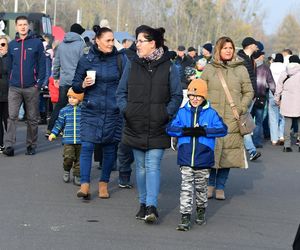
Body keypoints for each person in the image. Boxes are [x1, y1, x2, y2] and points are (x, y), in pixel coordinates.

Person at [117, 25, 182, 223]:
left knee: (152, 165)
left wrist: (165, 113)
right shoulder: (132, 63)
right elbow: (121, 92)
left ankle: (152, 205)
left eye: (141, 41)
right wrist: (127, 110)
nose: (137, 44)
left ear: (152, 43)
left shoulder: (169, 66)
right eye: (137, 41)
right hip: (134, 123)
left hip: (158, 124)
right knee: (141, 167)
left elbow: (177, 95)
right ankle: (143, 203)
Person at [72, 25, 127, 200]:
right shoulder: (86, 59)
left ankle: (103, 184)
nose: (111, 43)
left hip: (113, 110)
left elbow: (127, 83)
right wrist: (83, 85)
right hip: (91, 109)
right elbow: (75, 84)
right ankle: (85, 185)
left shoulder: (120, 59)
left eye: (113, 40)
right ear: (97, 41)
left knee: (110, 148)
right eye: (108, 40)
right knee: (87, 146)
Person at [166, 79, 227, 231]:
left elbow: (223, 130)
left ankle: (201, 210)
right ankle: (184, 217)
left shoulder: (211, 113)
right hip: (185, 157)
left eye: (198, 96)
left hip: (204, 158)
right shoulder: (182, 112)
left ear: (204, 97)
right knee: (186, 188)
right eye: (192, 95)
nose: (194, 99)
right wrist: (184, 131)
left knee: (201, 189)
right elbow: (169, 128)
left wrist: (204, 131)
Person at [201, 36, 254, 200]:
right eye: (225, 48)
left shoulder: (241, 69)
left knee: (228, 154)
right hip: (212, 118)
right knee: (210, 151)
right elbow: (200, 90)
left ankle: (221, 186)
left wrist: (241, 107)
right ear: (218, 49)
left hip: (232, 118)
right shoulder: (209, 69)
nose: (228, 50)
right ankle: (209, 184)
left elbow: (249, 92)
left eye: (230, 48)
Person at [3, 16, 46, 156]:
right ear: (16, 27)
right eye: (20, 24)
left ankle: (31, 145)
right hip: (14, 87)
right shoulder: (12, 44)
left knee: (32, 118)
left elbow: (42, 64)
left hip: (31, 87)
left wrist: (38, 83)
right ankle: (9, 145)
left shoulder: (36, 43)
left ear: (29, 26)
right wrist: (11, 79)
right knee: (12, 117)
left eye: (25, 24)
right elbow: (9, 65)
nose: (22, 27)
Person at [46, 23, 86, 137]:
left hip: (64, 80)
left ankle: (51, 128)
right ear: (79, 33)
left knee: (60, 104)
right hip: (77, 80)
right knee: (78, 104)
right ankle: (75, 130)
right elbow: (84, 62)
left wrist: (56, 77)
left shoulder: (62, 44)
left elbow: (57, 62)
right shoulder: (81, 45)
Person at [48, 88, 83, 186]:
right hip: (68, 140)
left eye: (74, 98)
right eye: (70, 97)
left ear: (80, 99)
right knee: (68, 158)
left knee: (79, 161)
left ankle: (77, 175)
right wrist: (53, 133)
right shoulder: (64, 111)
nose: (71, 99)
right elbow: (59, 123)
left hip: (81, 140)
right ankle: (66, 170)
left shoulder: (83, 110)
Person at [237, 36, 261, 161]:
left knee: (243, 123)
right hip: (242, 96)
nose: (257, 47)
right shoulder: (240, 59)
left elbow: (252, 79)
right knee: (243, 123)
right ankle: (251, 151)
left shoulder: (251, 60)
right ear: (250, 45)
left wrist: (254, 94)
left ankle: (249, 150)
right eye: (255, 44)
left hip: (250, 96)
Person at [274, 55, 300, 152]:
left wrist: (277, 100)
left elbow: (278, 88)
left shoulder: (284, 73)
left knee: (287, 124)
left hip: (287, 102)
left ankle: (287, 145)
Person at [251, 50, 275, 148]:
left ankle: (245, 141)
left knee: (247, 120)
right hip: (261, 97)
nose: (264, 57)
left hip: (249, 97)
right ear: (260, 57)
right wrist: (276, 94)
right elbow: (271, 83)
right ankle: (256, 142)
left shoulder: (249, 67)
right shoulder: (265, 68)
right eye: (262, 55)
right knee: (259, 121)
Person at [269, 53, 286, 145]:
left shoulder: (270, 67)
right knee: (283, 116)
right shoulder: (285, 68)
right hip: (283, 93)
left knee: (273, 117)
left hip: (272, 92)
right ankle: (281, 136)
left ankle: (274, 139)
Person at [0, 35, 9, 153]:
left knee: (8, 120)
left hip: (9, 93)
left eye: (3, 44)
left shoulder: (10, 58)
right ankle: (1, 144)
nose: (1, 47)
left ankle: (10, 142)